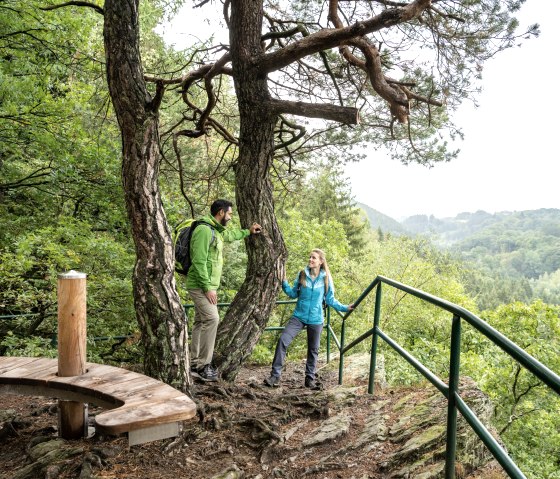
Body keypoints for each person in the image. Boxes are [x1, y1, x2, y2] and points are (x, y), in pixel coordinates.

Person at [187, 199, 262, 382]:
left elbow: (229, 236)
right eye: (229, 214)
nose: (230, 217)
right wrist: (208, 288)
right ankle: (203, 366)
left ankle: (194, 362)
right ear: (220, 212)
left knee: (200, 321)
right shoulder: (204, 230)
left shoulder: (216, 231)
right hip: (199, 285)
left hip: (205, 285)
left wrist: (248, 232)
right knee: (213, 319)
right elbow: (198, 261)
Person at [264, 249, 354, 389]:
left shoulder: (326, 278)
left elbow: (330, 299)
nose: (310, 260)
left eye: (314, 258)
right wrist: (284, 283)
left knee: (313, 349)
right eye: (310, 257)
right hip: (299, 316)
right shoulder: (302, 274)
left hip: (316, 318)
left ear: (321, 261)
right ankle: (275, 376)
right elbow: (293, 293)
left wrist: (344, 308)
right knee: (283, 340)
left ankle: (309, 379)